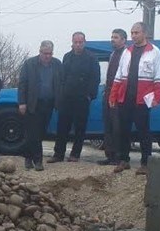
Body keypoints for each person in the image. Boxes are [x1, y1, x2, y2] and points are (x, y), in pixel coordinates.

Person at [109, 21, 160, 175]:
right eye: (132, 33)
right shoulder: (127, 52)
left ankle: (146, 163)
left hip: (142, 99)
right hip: (125, 98)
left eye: (136, 33)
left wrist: (157, 97)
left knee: (143, 132)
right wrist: (113, 95)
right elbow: (119, 76)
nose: (133, 35)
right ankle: (123, 160)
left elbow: (158, 77)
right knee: (123, 130)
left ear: (144, 33)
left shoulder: (154, 51)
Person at [48, 32, 100, 163]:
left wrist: (89, 96)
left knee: (79, 128)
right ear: (72, 43)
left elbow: (95, 79)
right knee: (62, 127)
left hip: (82, 99)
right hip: (66, 98)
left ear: (84, 42)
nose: (78, 45)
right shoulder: (67, 57)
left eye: (80, 42)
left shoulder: (91, 58)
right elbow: (61, 78)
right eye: (75, 42)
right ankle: (58, 154)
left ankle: (75, 155)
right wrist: (60, 94)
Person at [18, 40, 63, 171]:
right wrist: (22, 102)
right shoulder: (29, 64)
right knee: (34, 132)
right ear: (40, 51)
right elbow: (22, 84)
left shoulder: (57, 64)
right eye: (45, 53)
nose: (47, 56)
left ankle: (27, 156)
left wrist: (59, 99)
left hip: (48, 103)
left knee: (41, 132)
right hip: (33, 103)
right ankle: (38, 161)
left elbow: (61, 82)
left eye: (50, 53)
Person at [97, 28, 127, 166]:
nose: (112, 39)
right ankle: (109, 155)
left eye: (116, 37)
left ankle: (119, 156)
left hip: (119, 95)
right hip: (108, 93)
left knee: (117, 126)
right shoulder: (113, 54)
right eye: (112, 37)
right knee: (108, 125)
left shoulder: (127, 54)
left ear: (123, 40)